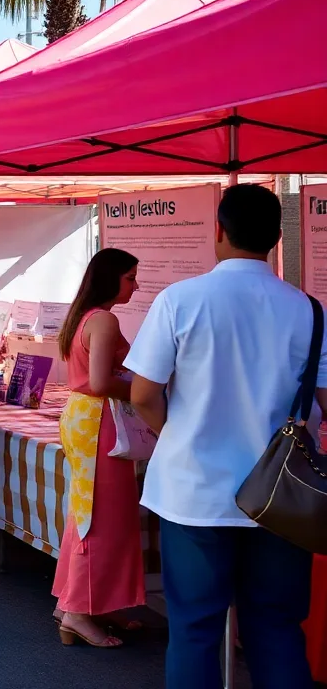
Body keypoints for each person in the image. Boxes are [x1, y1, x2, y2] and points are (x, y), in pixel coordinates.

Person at [126, 184, 324, 688]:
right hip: (284, 499)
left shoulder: (179, 300)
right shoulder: (310, 311)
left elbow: (144, 394)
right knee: (277, 628)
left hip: (194, 494)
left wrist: (181, 435)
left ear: (218, 231)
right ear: (278, 238)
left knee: (194, 631)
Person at [51, 248, 145, 648]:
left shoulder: (84, 316)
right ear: (111, 279)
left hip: (87, 418)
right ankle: (78, 611)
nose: (136, 284)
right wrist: (148, 392)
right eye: (130, 277)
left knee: (88, 513)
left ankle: (84, 602)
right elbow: (103, 381)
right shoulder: (104, 319)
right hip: (100, 422)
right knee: (102, 519)